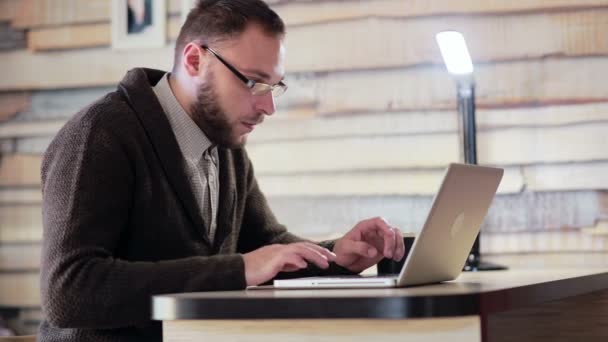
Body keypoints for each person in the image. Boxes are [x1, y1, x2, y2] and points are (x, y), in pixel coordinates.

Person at [38, 1, 405, 341]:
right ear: (195, 60)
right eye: (252, 82)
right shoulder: (100, 134)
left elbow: (268, 248)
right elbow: (69, 292)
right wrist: (238, 270)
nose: (267, 107)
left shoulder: (225, 146)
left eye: (273, 86)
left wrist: (337, 257)